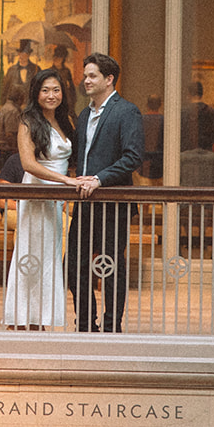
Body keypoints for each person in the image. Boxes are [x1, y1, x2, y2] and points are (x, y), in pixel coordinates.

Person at [66, 52, 144, 332]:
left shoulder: (127, 111)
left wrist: (100, 179)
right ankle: (86, 324)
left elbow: (132, 157)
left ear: (109, 79)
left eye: (92, 76)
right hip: (85, 202)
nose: (85, 80)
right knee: (75, 263)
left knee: (111, 266)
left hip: (113, 202)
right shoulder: (85, 113)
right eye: (85, 75)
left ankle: (112, 326)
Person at [3, 69, 81, 330]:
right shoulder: (28, 121)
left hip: (57, 199)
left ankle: (40, 317)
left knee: (50, 254)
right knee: (30, 254)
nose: (51, 95)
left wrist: (72, 180)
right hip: (37, 193)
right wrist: (65, 181)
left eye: (56, 90)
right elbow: (28, 164)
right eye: (45, 90)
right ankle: (20, 317)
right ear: (36, 93)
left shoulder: (65, 120)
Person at [0, 41, 39, 107]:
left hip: (30, 107)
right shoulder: (11, 70)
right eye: (20, 53)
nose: (22, 56)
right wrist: (2, 106)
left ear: (29, 55)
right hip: (14, 108)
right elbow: (5, 89)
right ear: (18, 54)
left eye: (25, 54)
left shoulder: (36, 69)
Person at [0, 83, 26, 152]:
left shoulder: (6, 107)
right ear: (19, 97)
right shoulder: (12, 111)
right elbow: (10, 134)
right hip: (9, 150)